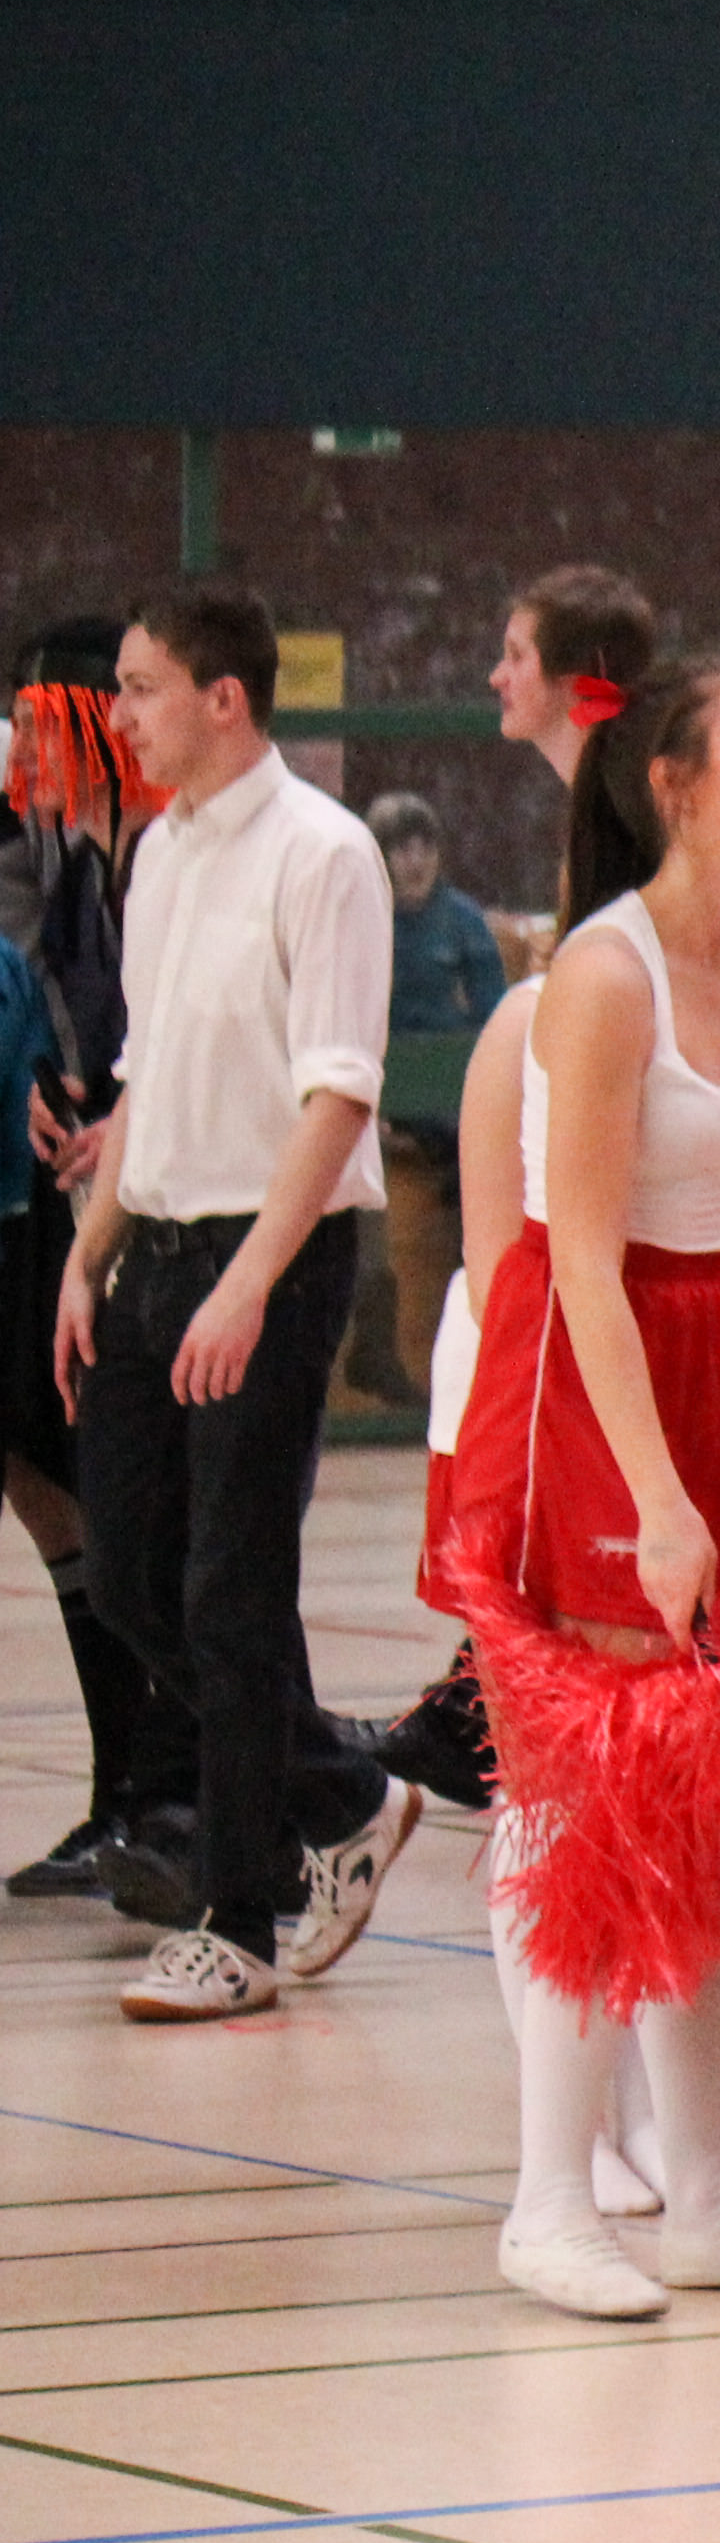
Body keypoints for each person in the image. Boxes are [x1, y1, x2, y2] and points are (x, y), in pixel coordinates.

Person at [453, 664, 720, 2313]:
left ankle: (708, 2196)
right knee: (595, 1794)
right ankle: (551, 2202)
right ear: (677, 782)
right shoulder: (600, 977)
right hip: (588, 1366)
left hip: (716, 1369)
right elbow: (575, 1258)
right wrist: (660, 1494)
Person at [62, 585, 425, 2021]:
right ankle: (341, 1795)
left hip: (269, 1255)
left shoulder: (324, 854)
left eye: (143, 687)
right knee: (131, 1577)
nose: (123, 716)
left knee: (231, 1589)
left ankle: (238, 1919)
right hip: (151, 1249)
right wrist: (90, 1256)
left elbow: (338, 1095)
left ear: (225, 697)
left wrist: (248, 1286)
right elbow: (144, 1078)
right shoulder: (157, 854)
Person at [380, 567, 664, 1813]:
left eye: (513, 652)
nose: (495, 676)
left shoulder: (642, 812)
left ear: (575, 681)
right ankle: (476, 1685)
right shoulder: (581, 828)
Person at [2, 621, 190, 1921]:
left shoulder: (157, 860)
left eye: (37, 721)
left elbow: (166, 1048)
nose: (20, 749)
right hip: (80, 1216)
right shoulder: (79, 861)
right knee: (68, 1499)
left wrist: (123, 1117)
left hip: (166, 1230)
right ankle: (136, 1792)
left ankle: (230, 1798)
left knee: (151, 1532)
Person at [363, 794, 504, 1406]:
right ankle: (375, 1349)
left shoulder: (462, 920)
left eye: (425, 846)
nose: (415, 860)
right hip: (377, 1095)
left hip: (454, 1100)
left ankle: (487, 1346)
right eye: (401, 848)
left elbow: (495, 1016)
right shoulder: (360, 919)